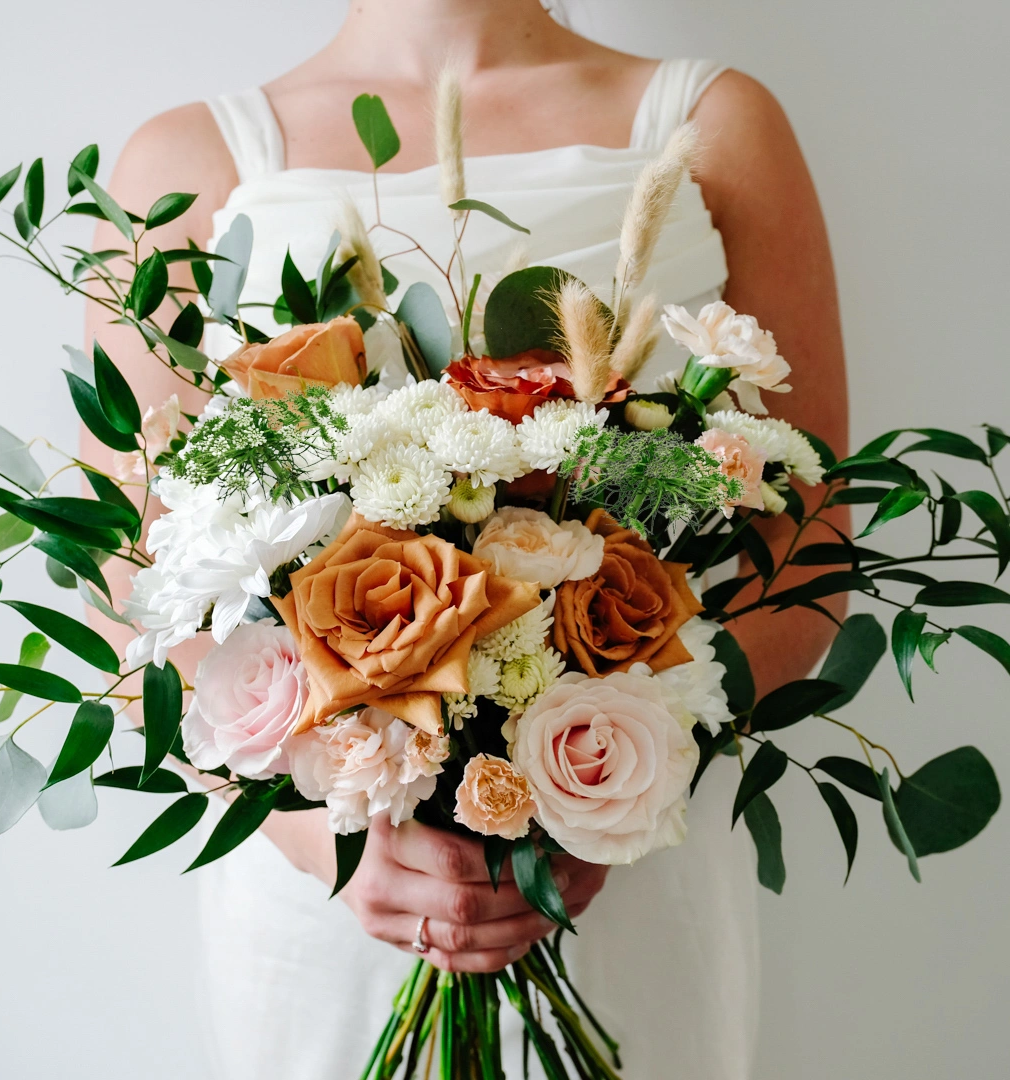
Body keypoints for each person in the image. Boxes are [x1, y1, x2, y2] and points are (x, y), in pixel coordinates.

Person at [83, 1, 848, 1075]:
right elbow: (135, 563)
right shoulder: (186, 160)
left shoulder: (718, 124)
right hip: (330, 879)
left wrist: (617, 782)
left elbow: (808, 548)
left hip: (626, 855)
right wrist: (325, 834)